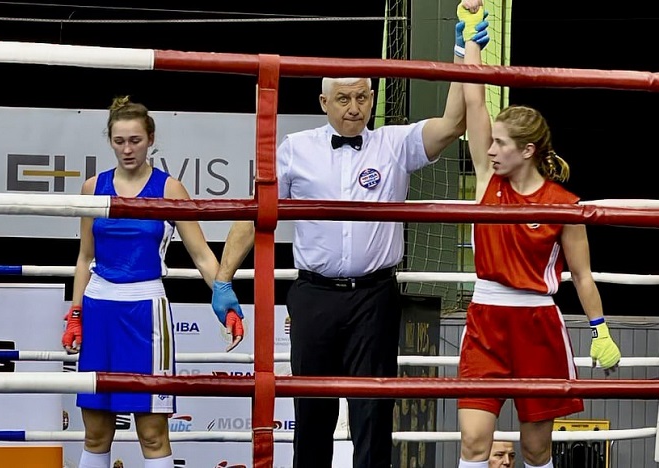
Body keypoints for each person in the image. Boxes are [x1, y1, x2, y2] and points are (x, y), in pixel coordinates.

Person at [210, 6, 490, 466]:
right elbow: (253, 214)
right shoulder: (295, 149)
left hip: (374, 297)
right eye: (343, 99)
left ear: (373, 98)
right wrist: (223, 280)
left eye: (361, 97)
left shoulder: (394, 144)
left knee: (373, 414)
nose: (354, 107)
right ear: (324, 103)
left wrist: (463, 56)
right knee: (311, 413)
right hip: (314, 295)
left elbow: (452, 124)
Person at [455, 2, 622, 468]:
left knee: (535, 449)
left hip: (537, 324)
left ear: (527, 150)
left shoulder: (564, 204)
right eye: (491, 141)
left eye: (501, 143)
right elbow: (475, 103)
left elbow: (582, 275)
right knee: (473, 442)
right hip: (486, 319)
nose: (490, 149)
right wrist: (470, 39)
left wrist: (600, 329)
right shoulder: (488, 179)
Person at [60, 96, 237, 468]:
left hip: (146, 313)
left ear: (151, 139)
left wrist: (225, 297)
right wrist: (75, 312)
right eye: (119, 141)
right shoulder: (93, 187)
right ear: (110, 141)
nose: (127, 149)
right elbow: (85, 256)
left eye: (135, 140)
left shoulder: (169, 188)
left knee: (153, 432)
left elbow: (201, 254)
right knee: (95, 433)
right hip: (99, 307)